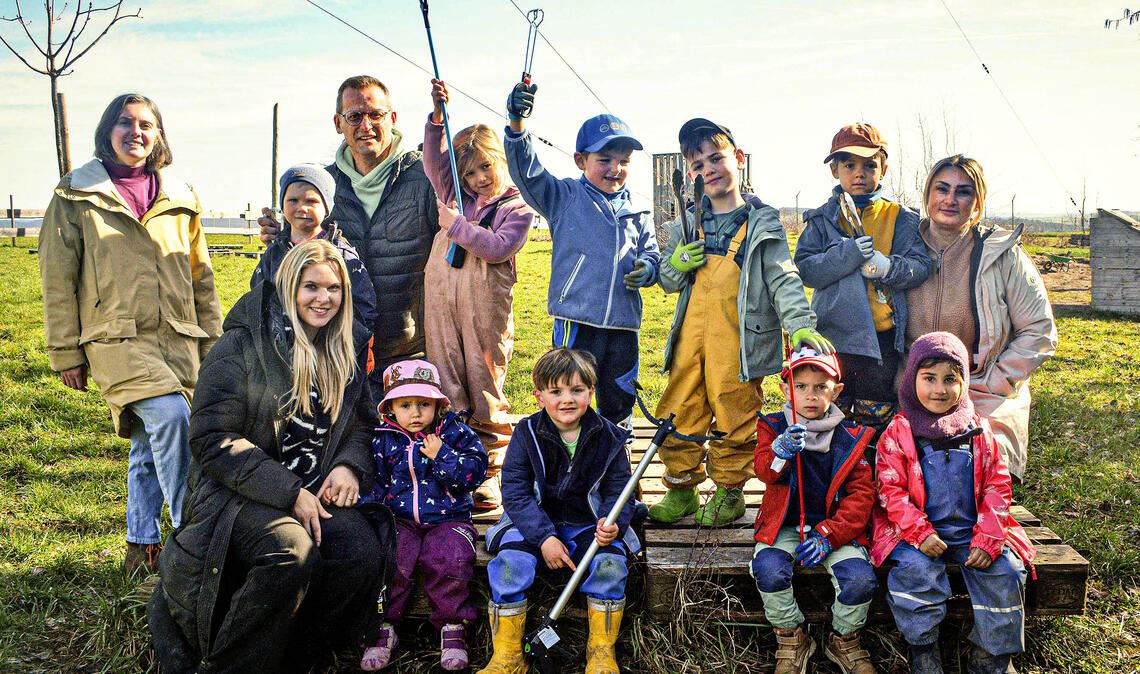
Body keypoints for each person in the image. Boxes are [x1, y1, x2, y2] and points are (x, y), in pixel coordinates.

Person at [148, 241, 394, 674]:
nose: (324, 298)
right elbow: (211, 438)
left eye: (334, 288)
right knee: (291, 550)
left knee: (360, 552)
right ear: (287, 287)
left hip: (311, 488)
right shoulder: (242, 344)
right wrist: (289, 491)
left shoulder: (342, 349)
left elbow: (359, 425)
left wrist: (347, 466)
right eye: (311, 286)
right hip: (236, 494)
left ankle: (293, 656)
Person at [38, 92, 222, 575]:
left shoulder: (181, 197)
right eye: (125, 122)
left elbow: (200, 276)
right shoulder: (75, 195)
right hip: (114, 337)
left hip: (179, 339)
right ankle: (193, 541)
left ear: (159, 134)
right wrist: (65, 352)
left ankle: (140, 547)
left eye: (147, 124)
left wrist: (215, 342)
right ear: (108, 130)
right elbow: (58, 280)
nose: (136, 132)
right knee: (170, 419)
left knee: (147, 439)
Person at [648, 118, 831, 527]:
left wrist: (799, 323)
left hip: (740, 342)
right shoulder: (686, 222)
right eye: (697, 164)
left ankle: (730, 493)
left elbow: (783, 277)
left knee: (734, 415)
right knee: (678, 410)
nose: (708, 169)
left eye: (716, 158)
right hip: (689, 341)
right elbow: (668, 279)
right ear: (690, 173)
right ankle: (681, 490)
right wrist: (675, 261)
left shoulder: (762, 225)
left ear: (739, 159)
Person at [260, 75, 438, 400]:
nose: (365, 125)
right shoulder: (323, 188)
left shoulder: (425, 179)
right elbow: (303, 244)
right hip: (339, 352)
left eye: (375, 114)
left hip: (412, 350)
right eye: (354, 116)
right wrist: (281, 234)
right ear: (338, 123)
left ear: (393, 119)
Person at [872, 332, 1036, 674]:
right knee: (915, 574)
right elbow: (891, 492)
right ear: (911, 378)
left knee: (1006, 573)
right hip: (915, 536)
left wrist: (990, 537)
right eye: (929, 378)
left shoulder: (979, 430)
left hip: (972, 532)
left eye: (951, 379)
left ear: (964, 382)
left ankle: (991, 654)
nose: (939, 389)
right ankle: (924, 647)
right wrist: (919, 533)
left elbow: (997, 484)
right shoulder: (898, 433)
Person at [502, 81, 660, 431]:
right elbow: (527, 171)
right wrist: (517, 125)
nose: (615, 168)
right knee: (571, 398)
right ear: (580, 160)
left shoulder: (639, 210)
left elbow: (652, 252)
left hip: (624, 327)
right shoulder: (563, 197)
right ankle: (572, 470)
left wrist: (648, 268)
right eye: (604, 159)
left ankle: (619, 476)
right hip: (577, 323)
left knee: (619, 400)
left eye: (623, 161)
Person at [479, 348, 639, 674]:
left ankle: (600, 652)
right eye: (556, 391)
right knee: (511, 564)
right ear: (539, 396)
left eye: (577, 390)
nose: (567, 399)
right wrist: (543, 537)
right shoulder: (526, 434)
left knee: (609, 564)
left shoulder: (609, 437)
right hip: (533, 521)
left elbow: (619, 492)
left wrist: (614, 524)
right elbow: (516, 492)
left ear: (591, 393)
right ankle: (508, 656)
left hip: (587, 524)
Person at [906, 155, 1057, 481]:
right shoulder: (902, 247)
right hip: (911, 392)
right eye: (941, 188)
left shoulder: (1002, 255)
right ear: (928, 194)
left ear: (977, 203)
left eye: (963, 191)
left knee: (968, 475)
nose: (949, 199)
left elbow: (1039, 331)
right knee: (894, 476)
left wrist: (995, 380)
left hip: (981, 394)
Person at [423, 79, 535, 509]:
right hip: (440, 307)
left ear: (500, 161)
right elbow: (435, 163)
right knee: (446, 376)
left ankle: (490, 468)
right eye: (469, 172)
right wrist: (437, 117)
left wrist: (456, 227)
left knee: (483, 379)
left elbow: (497, 247)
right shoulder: (455, 194)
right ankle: (452, 462)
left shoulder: (516, 209)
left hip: (483, 313)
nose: (478, 178)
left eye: (486, 167)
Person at [795, 123, 931, 439]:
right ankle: (832, 480)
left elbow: (920, 266)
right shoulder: (821, 219)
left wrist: (887, 267)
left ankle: (871, 477)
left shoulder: (902, 217)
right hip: (833, 337)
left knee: (875, 416)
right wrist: (847, 255)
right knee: (831, 415)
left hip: (880, 339)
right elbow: (807, 270)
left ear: (883, 169)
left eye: (869, 165)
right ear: (834, 171)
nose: (859, 173)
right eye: (849, 165)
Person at [751, 347, 877, 674]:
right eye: (801, 386)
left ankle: (844, 639)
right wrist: (779, 453)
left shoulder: (851, 437)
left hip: (834, 531)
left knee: (860, 580)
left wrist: (830, 534)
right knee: (768, 568)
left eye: (821, 387)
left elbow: (861, 495)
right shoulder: (774, 426)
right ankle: (792, 636)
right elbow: (765, 471)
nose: (810, 395)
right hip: (784, 525)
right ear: (785, 389)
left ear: (836, 391)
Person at [360, 359, 487, 672]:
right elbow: (374, 482)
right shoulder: (384, 438)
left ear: (437, 404)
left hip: (450, 519)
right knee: (393, 560)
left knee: (449, 559)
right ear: (390, 409)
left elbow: (472, 474)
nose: (415, 413)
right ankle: (384, 627)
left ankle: (453, 628)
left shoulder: (454, 433)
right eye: (405, 405)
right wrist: (368, 511)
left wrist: (441, 454)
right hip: (400, 520)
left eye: (423, 404)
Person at [251, 163, 377, 364]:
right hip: (282, 353)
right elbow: (257, 300)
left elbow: (362, 302)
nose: (302, 208)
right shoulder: (275, 254)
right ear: (282, 205)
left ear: (327, 208)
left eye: (311, 201)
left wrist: (358, 344)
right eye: (293, 200)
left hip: (330, 351)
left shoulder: (342, 254)